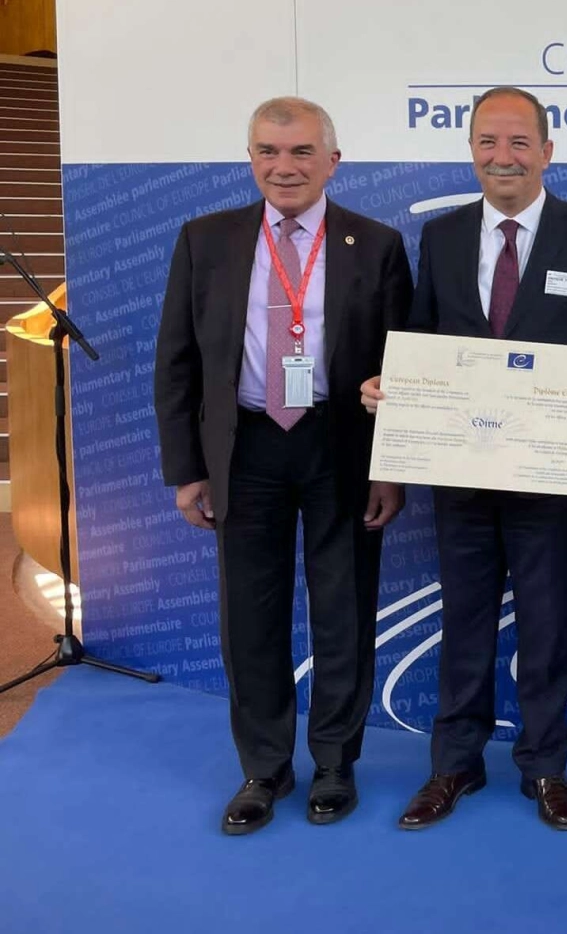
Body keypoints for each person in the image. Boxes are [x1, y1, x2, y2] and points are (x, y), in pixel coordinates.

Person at [361, 86, 567, 831]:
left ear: (547, 151)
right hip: (462, 467)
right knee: (465, 619)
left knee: (546, 620)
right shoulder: (443, 237)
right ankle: (454, 764)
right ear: (471, 150)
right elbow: (421, 335)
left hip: (548, 466)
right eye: (488, 141)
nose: (502, 156)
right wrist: (395, 385)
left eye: (518, 142)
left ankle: (544, 766)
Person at [154, 96, 412, 834]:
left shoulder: (377, 243)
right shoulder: (205, 239)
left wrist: (390, 467)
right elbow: (176, 361)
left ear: (333, 161)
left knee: (343, 611)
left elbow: (404, 365)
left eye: (301, 151)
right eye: (268, 151)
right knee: (251, 616)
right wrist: (188, 469)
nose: (284, 166)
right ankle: (263, 768)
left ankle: (334, 762)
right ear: (250, 159)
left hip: (340, 446)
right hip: (245, 449)